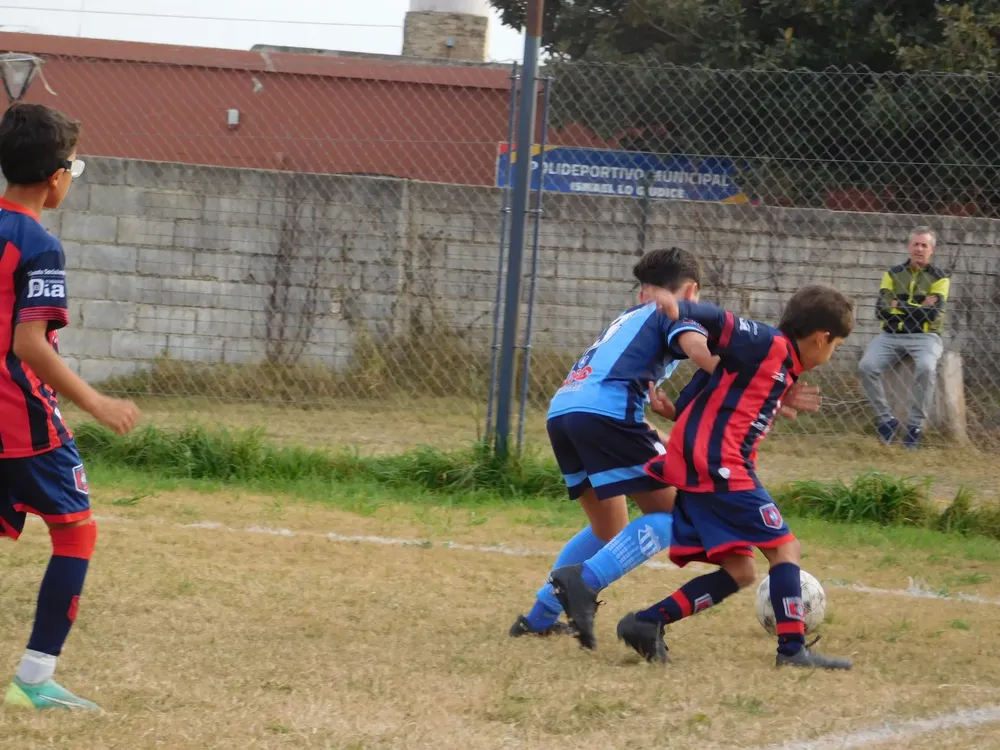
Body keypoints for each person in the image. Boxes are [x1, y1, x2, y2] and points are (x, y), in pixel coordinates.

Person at [510, 247, 820, 648]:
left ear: (646, 290)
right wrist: (767, 380)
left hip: (566, 411)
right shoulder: (677, 311)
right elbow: (697, 349)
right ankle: (582, 584)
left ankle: (539, 617)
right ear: (691, 290)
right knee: (677, 517)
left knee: (608, 527)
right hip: (608, 415)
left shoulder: (628, 317)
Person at [605, 285, 856, 670]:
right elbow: (722, 322)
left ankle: (647, 622)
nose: (831, 353)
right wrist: (681, 306)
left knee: (740, 570)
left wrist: (676, 412)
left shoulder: (780, 366)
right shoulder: (769, 344)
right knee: (785, 549)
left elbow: (711, 388)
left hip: (706, 465)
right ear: (821, 338)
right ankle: (792, 650)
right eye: (836, 345)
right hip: (721, 466)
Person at [0, 102, 140, 711]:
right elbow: (28, 343)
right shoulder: (39, 245)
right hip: (21, 417)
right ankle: (34, 678)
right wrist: (95, 400)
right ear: (56, 177)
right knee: (75, 531)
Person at [857, 227, 950, 449]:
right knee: (866, 366)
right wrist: (918, 306)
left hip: (926, 337)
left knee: (926, 368)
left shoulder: (941, 278)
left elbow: (932, 314)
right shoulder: (892, 274)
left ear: (932, 250)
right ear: (909, 247)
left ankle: (914, 427)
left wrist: (898, 305)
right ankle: (886, 420)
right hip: (891, 335)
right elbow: (881, 310)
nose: (919, 249)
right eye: (915, 244)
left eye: (924, 245)